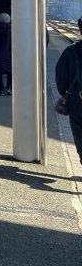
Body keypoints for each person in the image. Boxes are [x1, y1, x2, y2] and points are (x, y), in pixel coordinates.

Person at [55, 18, 82, 166]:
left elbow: (60, 78)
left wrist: (64, 93)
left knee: (79, 132)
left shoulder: (70, 52)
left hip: (78, 101)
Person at [0, 14, 12, 96]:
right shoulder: (12, 29)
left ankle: (1, 90)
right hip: (10, 55)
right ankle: (9, 88)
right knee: (10, 72)